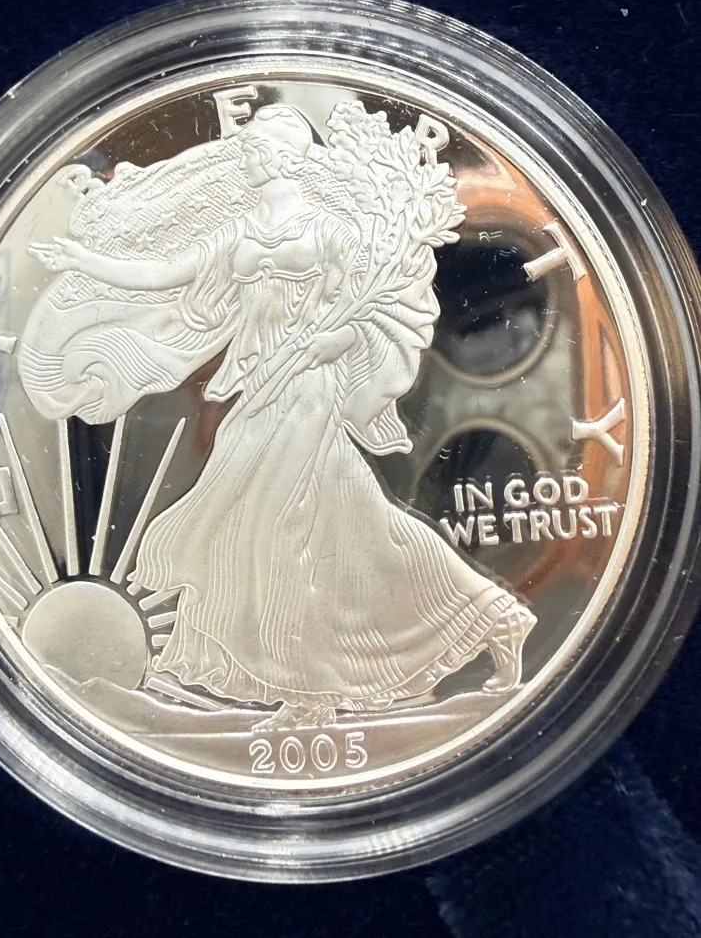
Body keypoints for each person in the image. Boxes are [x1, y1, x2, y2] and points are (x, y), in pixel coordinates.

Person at [28, 104, 535, 730]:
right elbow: (162, 275)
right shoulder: (240, 233)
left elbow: (383, 304)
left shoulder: (333, 233)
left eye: (260, 149)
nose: (249, 158)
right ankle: (491, 615)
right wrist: (84, 263)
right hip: (260, 385)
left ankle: (309, 689)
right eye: (250, 149)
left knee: (277, 522)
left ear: (288, 158)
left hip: (311, 386)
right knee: (353, 524)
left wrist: (337, 338)